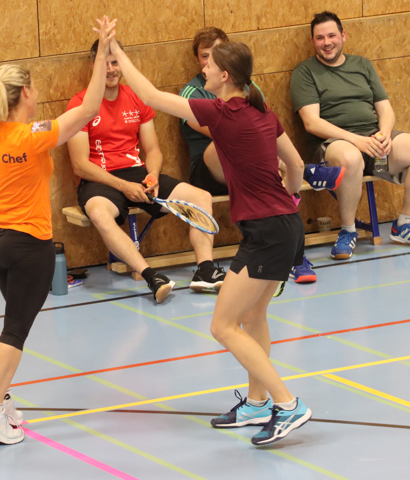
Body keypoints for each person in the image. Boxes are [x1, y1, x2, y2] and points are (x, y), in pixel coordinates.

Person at [110, 38, 312, 445]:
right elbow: (297, 165)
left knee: (223, 325)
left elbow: (149, 95)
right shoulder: (262, 112)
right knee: (253, 319)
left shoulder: (220, 113)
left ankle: (288, 404)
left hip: (268, 233)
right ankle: (256, 404)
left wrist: (115, 49)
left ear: (225, 76)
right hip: (282, 225)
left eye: (209, 67)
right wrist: (289, 197)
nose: (203, 71)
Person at [0, 17, 116, 445]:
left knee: (15, 319)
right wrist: (103, 51)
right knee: (15, 328)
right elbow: (88, 109)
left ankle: (4, 402)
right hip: (30, 246)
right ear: (26, 93)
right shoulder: (34, 135)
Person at [66, 39, 227, 303]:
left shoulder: (136, 98)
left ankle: (206, 271)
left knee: (201, 198)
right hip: (100, 180)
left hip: (137, 174)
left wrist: (152, 175)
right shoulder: (80, 104)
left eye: (115, 62)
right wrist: (121, 186)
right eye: (103, 63)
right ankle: (152, 276)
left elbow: (153, 150)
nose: (110, 69)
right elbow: (80, 164)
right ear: (92, 66)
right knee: (98, 213)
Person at [179, 27, 343, 284]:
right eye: (204, 56)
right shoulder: (192, 92)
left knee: (271, 179)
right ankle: (305, 171)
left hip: (250, 170)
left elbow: (261, 131)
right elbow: (227, 133)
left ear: (227, 66)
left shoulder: (249, 91)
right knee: (228, 141)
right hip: (209, 169)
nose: (207, 63)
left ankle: (296, 256)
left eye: (216, 55)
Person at [291, 11, 410, 260]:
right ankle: (348, 231)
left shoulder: (362, 65)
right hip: (333, 146)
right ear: (312, 42)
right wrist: (355, 140)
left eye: (331, 35)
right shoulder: (305, 72)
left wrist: (384, 133)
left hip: (373, 143)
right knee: (351, 158)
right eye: (319, 38)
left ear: (343, 36)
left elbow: (385, 108)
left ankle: (404, 224)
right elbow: (311, 123)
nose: (327, 42)